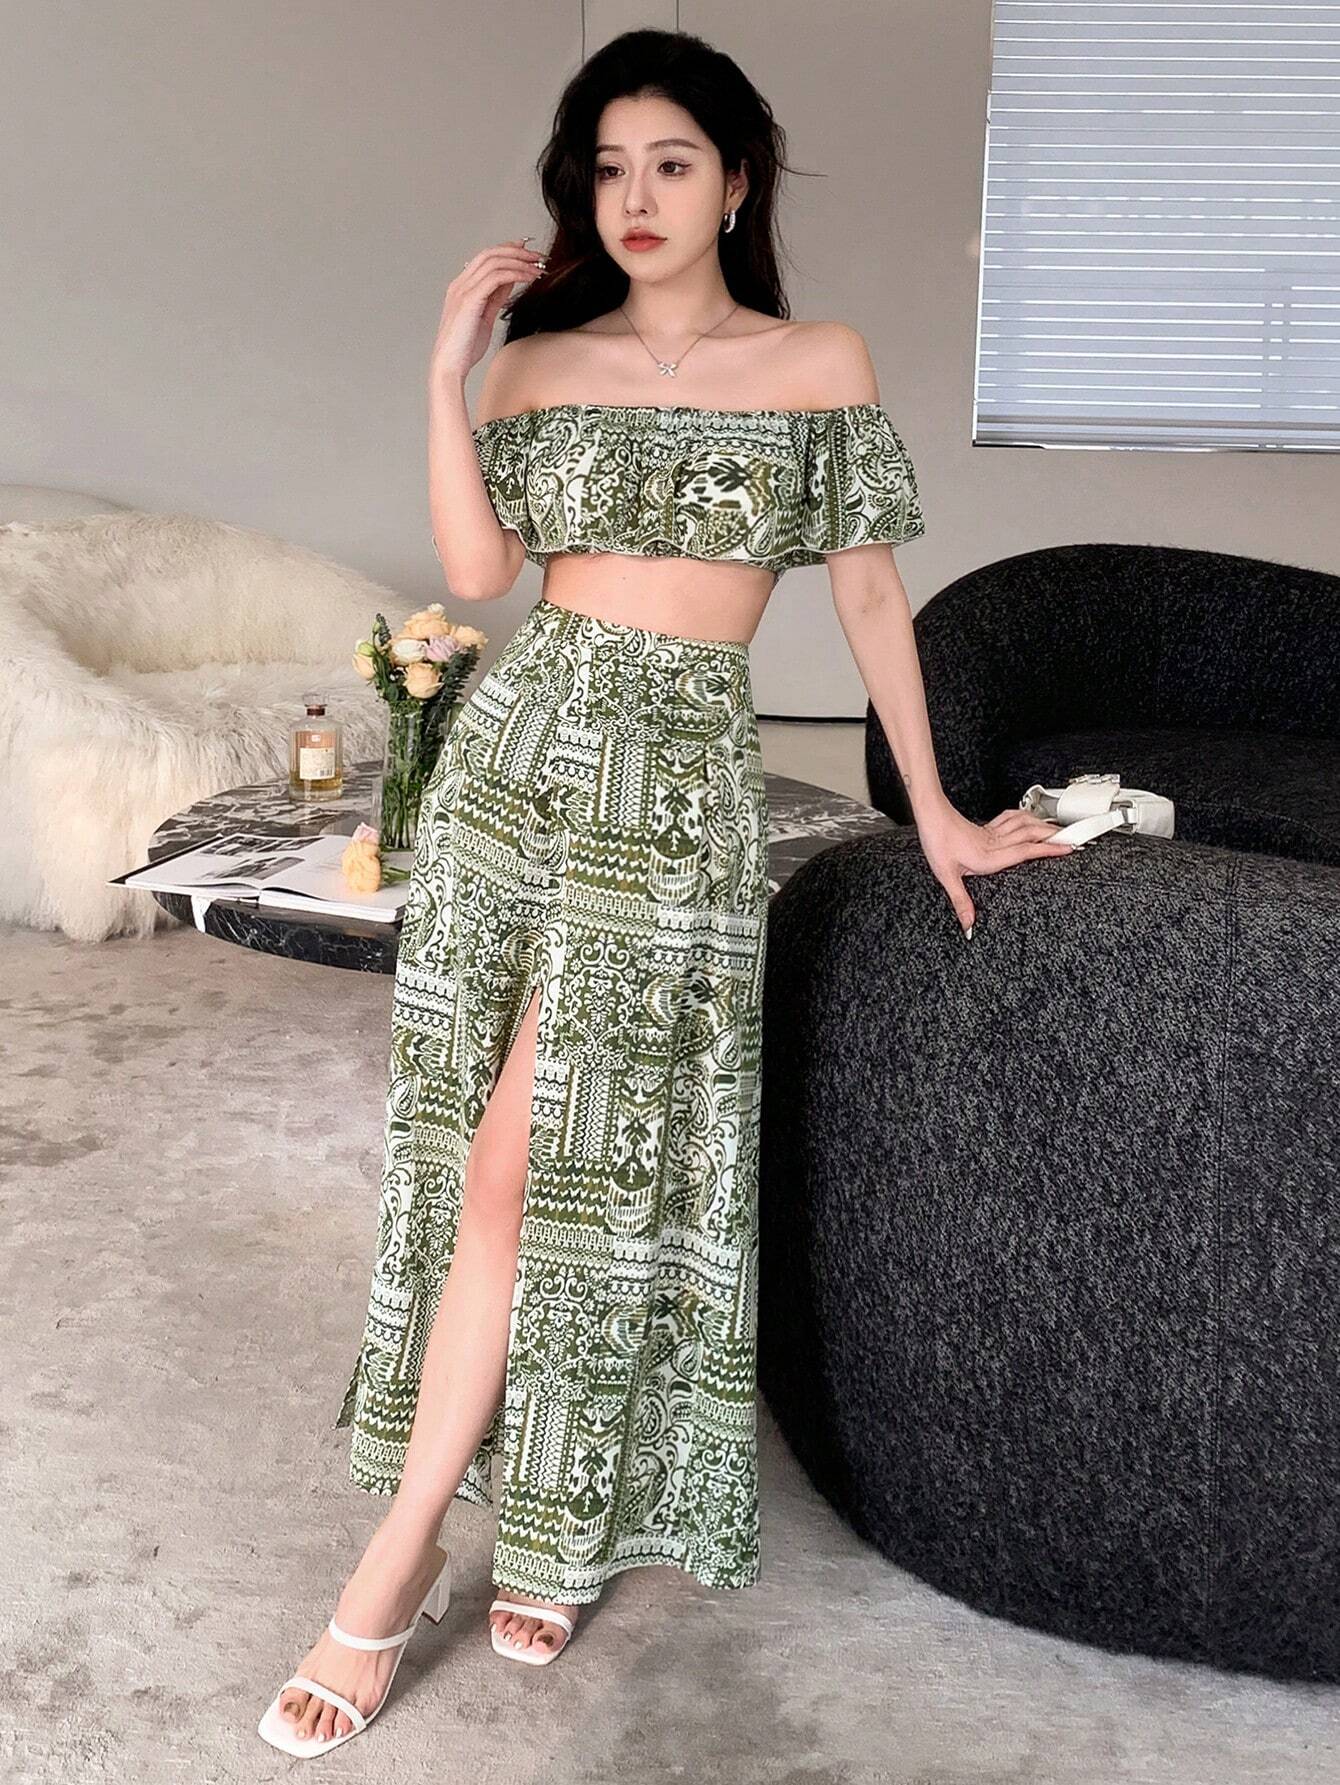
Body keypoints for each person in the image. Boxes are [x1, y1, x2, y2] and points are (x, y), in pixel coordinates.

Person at [258, 26, 1074, 1758]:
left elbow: (867, 597)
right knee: (487, 1158)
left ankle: (410, 1556)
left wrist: (934, 807)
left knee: (584, 1162)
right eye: (609, 168)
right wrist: (445, 373)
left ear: (737, 181)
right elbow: (479, 570)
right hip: (520, 765)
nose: (637, 197)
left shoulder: (817, 361)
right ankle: (514, 1523)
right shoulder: (538, 363)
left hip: (674, 787)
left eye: (673, 163)